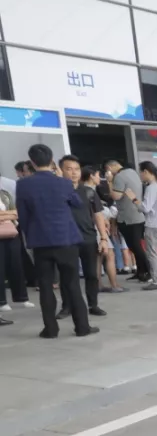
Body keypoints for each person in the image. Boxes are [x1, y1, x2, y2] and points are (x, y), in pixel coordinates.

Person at [15, 144, 98, 337]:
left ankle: (50, 329)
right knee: (72, 284)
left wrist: (30, 234)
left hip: (41, 242)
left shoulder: (24, 184)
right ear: (52, 161)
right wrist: (62, 179)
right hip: (66, 240)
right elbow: (77, 203)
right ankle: (82, 327)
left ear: (32, 162)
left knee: (45, 286)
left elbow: (23, 216)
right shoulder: (63, 183)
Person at [57, 155, 110, 318]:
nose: (74, 173)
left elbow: (98, 215)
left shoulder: (88, 192)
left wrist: (103, 238)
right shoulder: (57, 192)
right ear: (61, 171)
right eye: (69, 169)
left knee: (92, 274)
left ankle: (93, 304)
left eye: (77, 169)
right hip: (66, 240)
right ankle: (67, 306)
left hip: (88, 238)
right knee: (68, 275)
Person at [127, 162, 157, 291]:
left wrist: (134, 199)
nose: (140, 175)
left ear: (146, 172)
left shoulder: (151, 188)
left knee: (152, 253)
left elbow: (145, 208)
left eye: (141, 172)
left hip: (155, 225)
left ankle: (156, 281)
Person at [106, 159, 152, 282]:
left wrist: (109, 182)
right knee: (135, 246)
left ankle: (148, 271)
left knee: (135, 246)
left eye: (108, 169)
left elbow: (116, 196)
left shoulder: (119, 176)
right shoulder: (133, 172)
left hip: (128, 217)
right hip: (137, 215)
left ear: (111, 167)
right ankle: (141, 271)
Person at [0, 179, 32, 316]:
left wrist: (4, 215)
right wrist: (9, 215)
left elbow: (17, 212)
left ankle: (21, 297)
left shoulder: (4, 194)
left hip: (11, 232)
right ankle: (2, 301)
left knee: (16, 264)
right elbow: (12, 213)